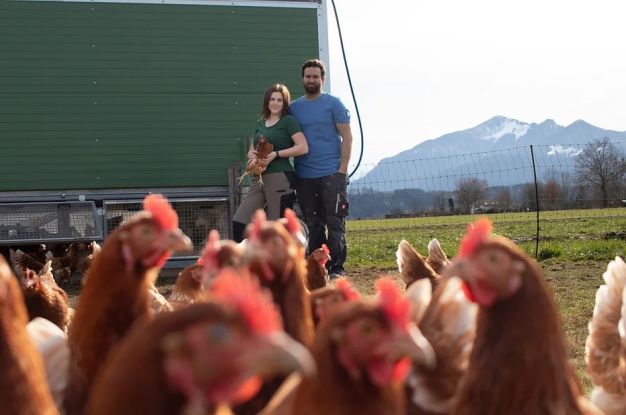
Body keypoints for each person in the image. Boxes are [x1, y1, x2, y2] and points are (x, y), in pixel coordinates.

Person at [290, 59, 353, 278]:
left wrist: (342, 170)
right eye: (308, 76)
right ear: (302, 78)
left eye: (316, 76)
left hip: (331, 173)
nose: (311, 80)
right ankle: (319, 267)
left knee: (335, 222)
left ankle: (336, 267)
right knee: (313, 224)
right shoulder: (295, 108)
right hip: (304, 175)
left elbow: (347, 136)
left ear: (322, 79)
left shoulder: (334, 104)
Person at [231, 84, 309, 242]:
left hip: (280, 178)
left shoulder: (288, 122)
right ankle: (251, 262)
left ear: (284, 103)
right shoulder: (260, 123)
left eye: (280, 100)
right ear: (267, 101)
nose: (275, 103)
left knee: (278, 229)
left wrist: (277, 154)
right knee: (240, 223)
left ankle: (286, 263)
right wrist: (250, 154)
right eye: (272, 99)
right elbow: (253, 149)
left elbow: (303, 147)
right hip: (258, 179)